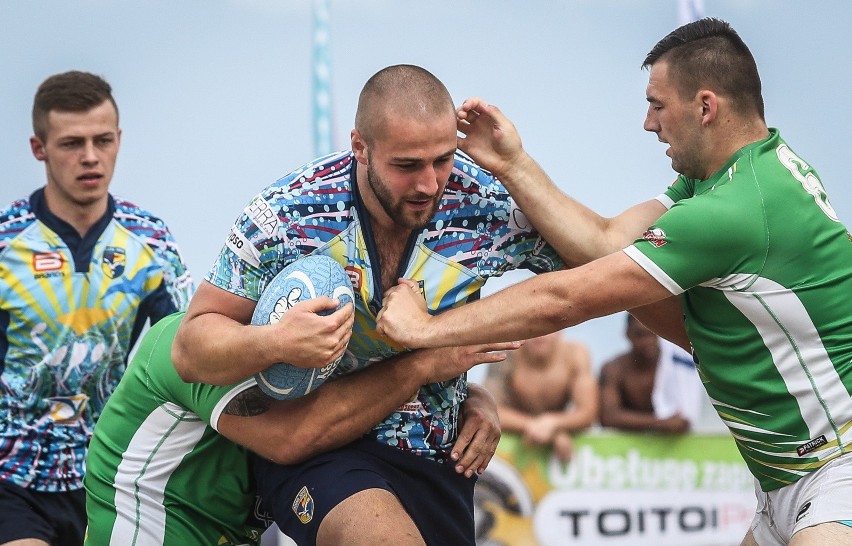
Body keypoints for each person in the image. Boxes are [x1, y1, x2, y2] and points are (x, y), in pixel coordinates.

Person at [376, 18, 852, 546]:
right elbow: (604, 242)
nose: (649, 123)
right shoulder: (729, 179)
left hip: (839, 471)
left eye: (658, 104)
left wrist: (426, 330)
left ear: (706, 106)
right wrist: (513, 164)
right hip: (783, 482)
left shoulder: (737, 210)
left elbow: (566, 297)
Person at [169, 64, 564, 546]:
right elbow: (191, 347)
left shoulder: (482, 203)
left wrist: (475, 394)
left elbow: (599, 271)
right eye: (406, 165)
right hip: (319, 446)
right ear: (360, 145)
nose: (429, 183)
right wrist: (273, 340)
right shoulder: (287, 214)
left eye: (443, 160)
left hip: (437, 455)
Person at [84, 312, 509, 545]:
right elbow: (292, 437)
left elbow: (358, 393)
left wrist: (467, 396)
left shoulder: (305, 358)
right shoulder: (191, 345)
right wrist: (422, 366)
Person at [0, 71, 192, 546]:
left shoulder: (149, 239)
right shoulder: (6, 242)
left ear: (118, 140)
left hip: (110, 474)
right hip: (13, 476)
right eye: (71, 143)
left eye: (102, 140)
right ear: (38, 147)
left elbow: (192, 343)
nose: (90, 157)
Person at [483, 331, 597, 461]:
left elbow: (587, 413)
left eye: (547, 328)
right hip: (515, 440)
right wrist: (544, 429)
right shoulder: (505, 355)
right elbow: (489, 410)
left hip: (551, 435)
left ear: (560, 330)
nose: (540, 335)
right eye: (534, 327)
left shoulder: (575, 354)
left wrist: (553, 423)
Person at [598, 313, 703, 434]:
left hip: (674, 446)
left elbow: (685, 417)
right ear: (627, 334)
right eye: (640, 335)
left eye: (652, 334)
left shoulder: (678, 363)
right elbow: (609, 417)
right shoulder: (614, 369)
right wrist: (661, 423)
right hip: (628, 448)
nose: (647, 341)